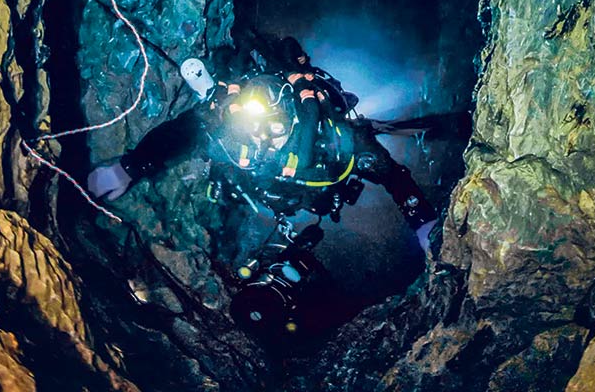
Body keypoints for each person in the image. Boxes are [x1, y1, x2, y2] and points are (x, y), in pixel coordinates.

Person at [88, 36, 436, 336]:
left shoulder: (336, 142)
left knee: (371, 135)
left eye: (273, 130)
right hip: (263, 192)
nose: (261, 141)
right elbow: (182, 131)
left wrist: (424, 225)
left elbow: (393, 176)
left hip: (313, 191)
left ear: (296, 120)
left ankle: (412, 126)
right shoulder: (230, 129)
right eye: (252, 130)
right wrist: (129, 168)